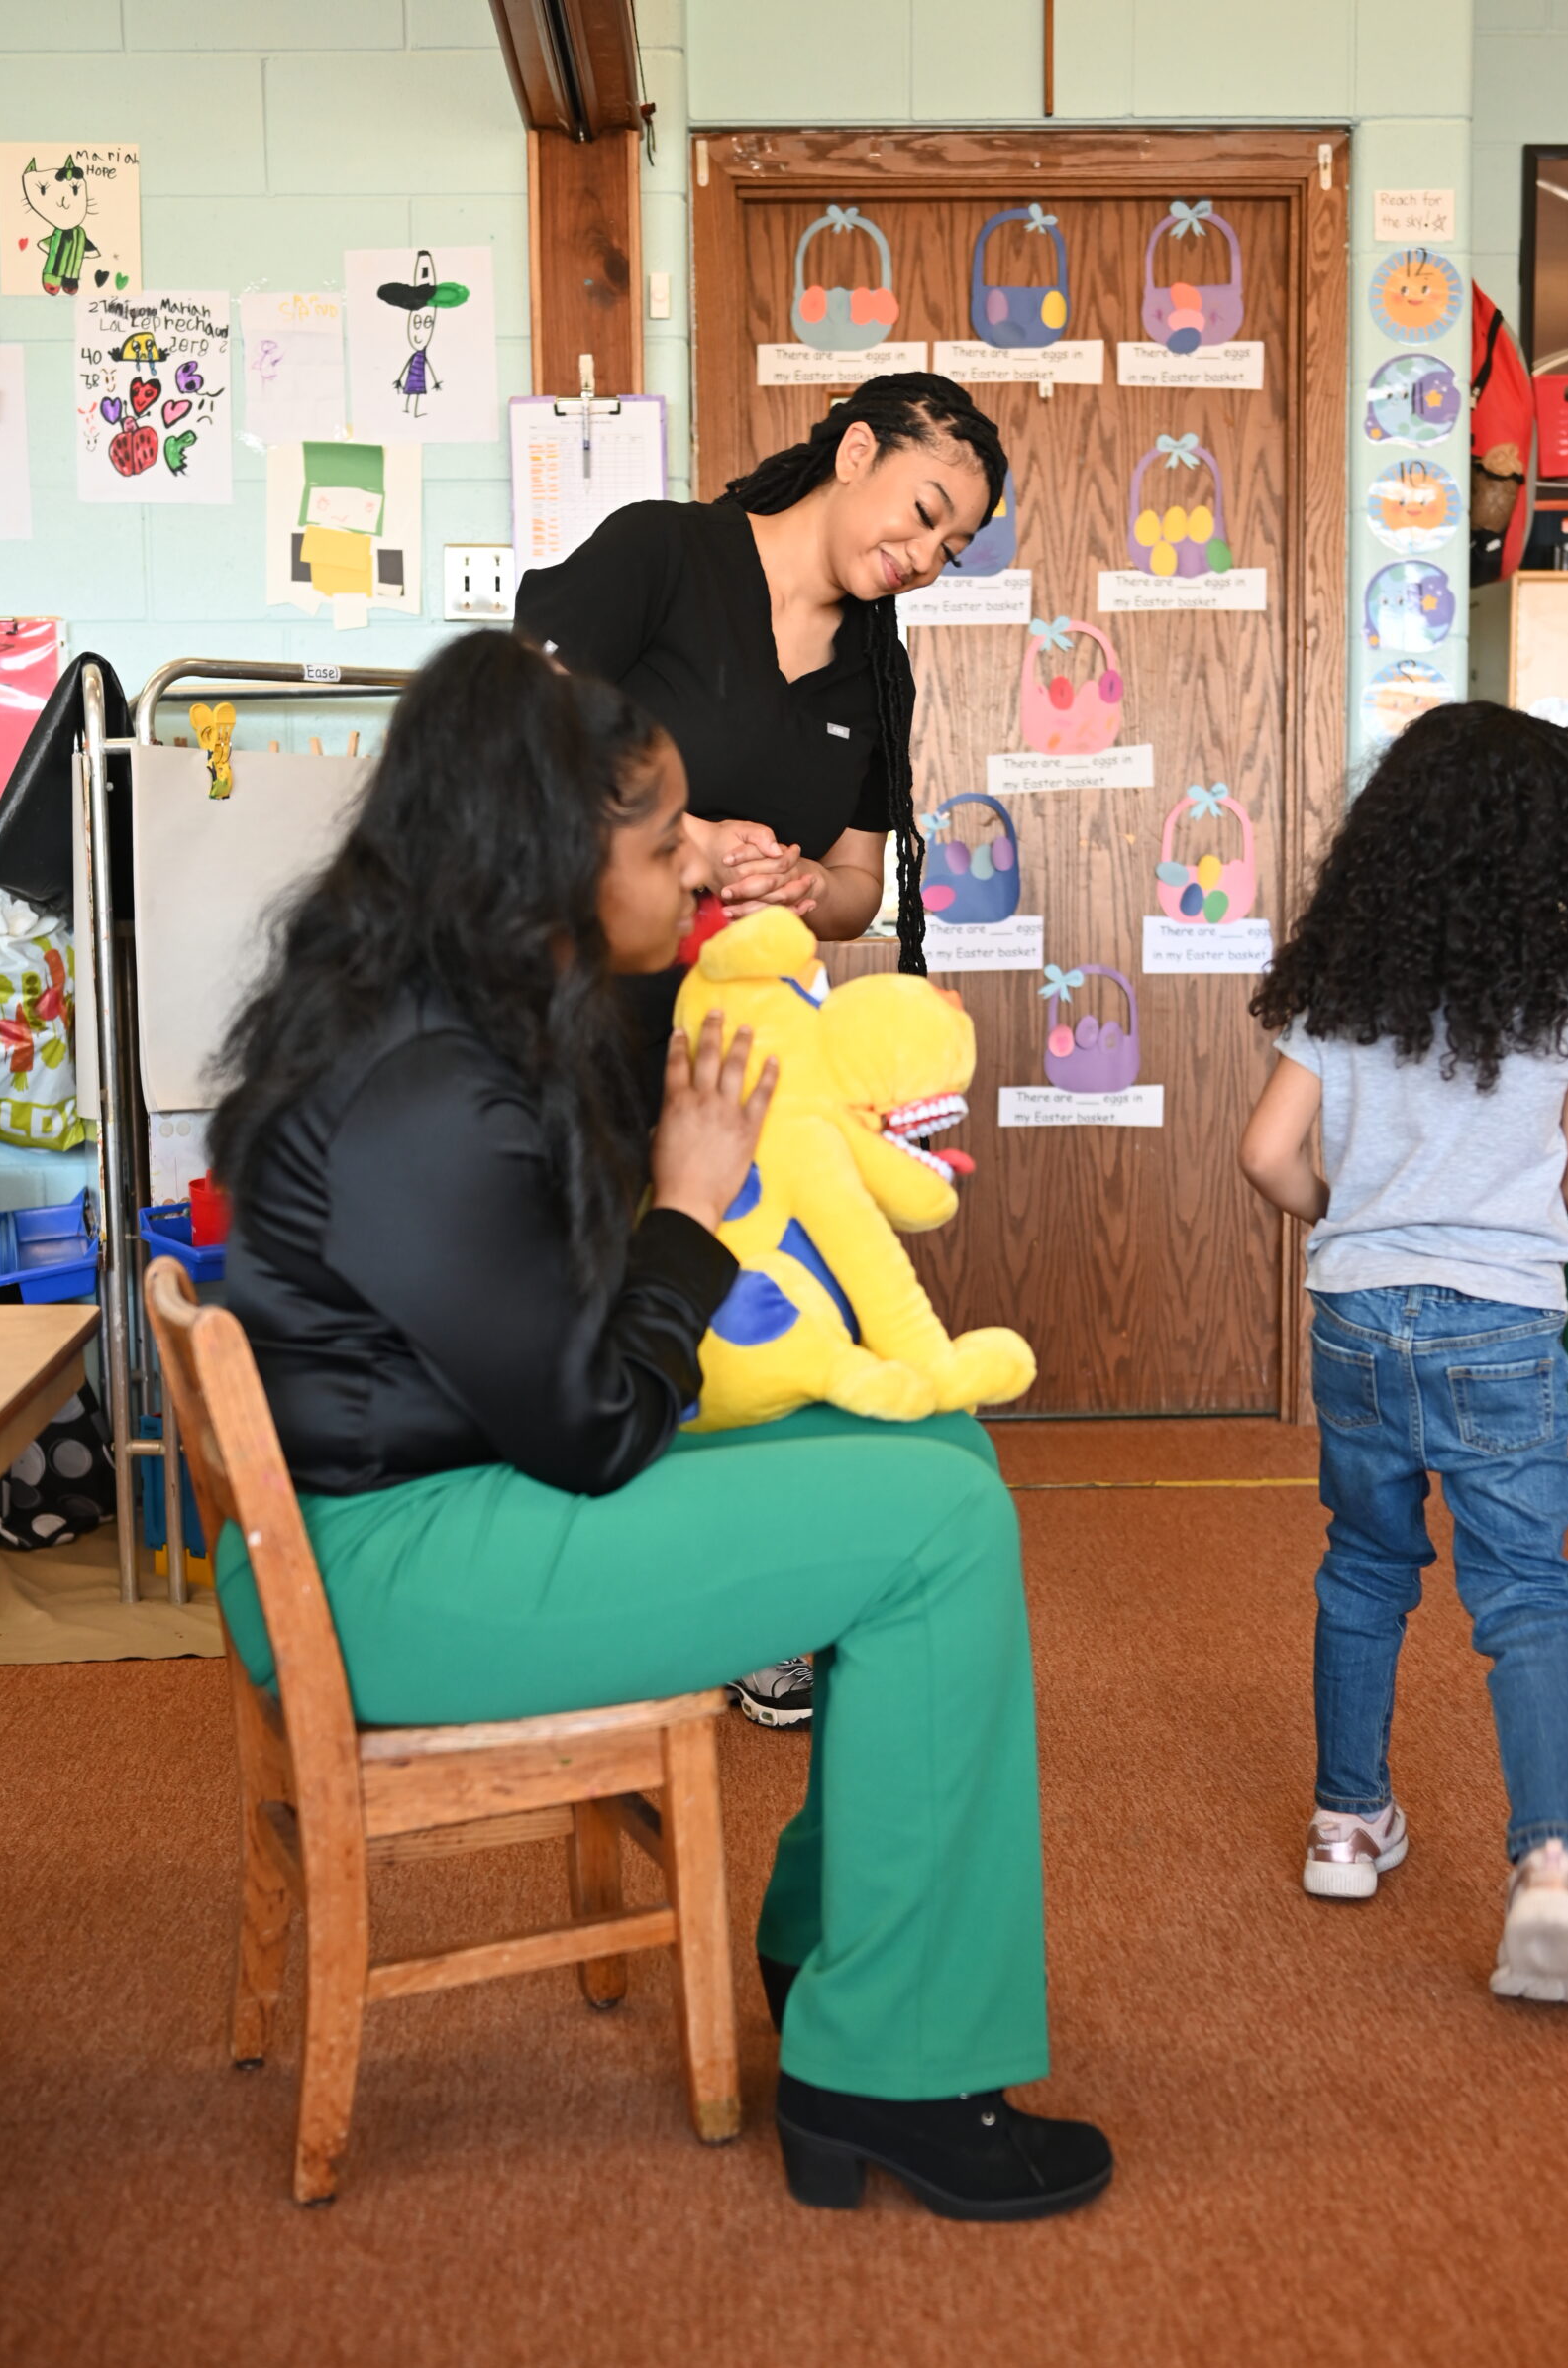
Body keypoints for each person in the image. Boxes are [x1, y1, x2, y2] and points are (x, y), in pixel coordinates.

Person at [207, 629, 1110, 2223]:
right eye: (663, 838)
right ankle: (890, 2071)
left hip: (446, 1485)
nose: (701, 856)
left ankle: (838, 1950)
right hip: (395, 1575)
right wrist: (688, 1208)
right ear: (551, 863)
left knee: (936, 1453)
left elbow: (551, 1348)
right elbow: (595, 1429)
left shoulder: (452, 1011)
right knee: (941, 1529)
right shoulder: (425, 1090)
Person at [514, 372, 1008, 1731]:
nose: (924, 554)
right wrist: (683, 839)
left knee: (755, 1309)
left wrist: (796, 882)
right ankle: (590, 1600)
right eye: (922, 510)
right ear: (854, 452)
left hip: (744, 1039)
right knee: (593, 1295)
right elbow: (523, 743)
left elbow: (854, 892)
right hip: (579, 1014)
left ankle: (755, 1615)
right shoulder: (663, 555)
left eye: (953, 544)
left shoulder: (875, 671)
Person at [1238, 700, 1568, 2007]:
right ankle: (1549, 1869)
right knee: (1523, 1592)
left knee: (1365, 1567)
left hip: (1359, 1315)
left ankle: (1345, 1825)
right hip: (1501, 1323)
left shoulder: (1344, 995)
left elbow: (1264, 1154)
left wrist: (1347, 1217)